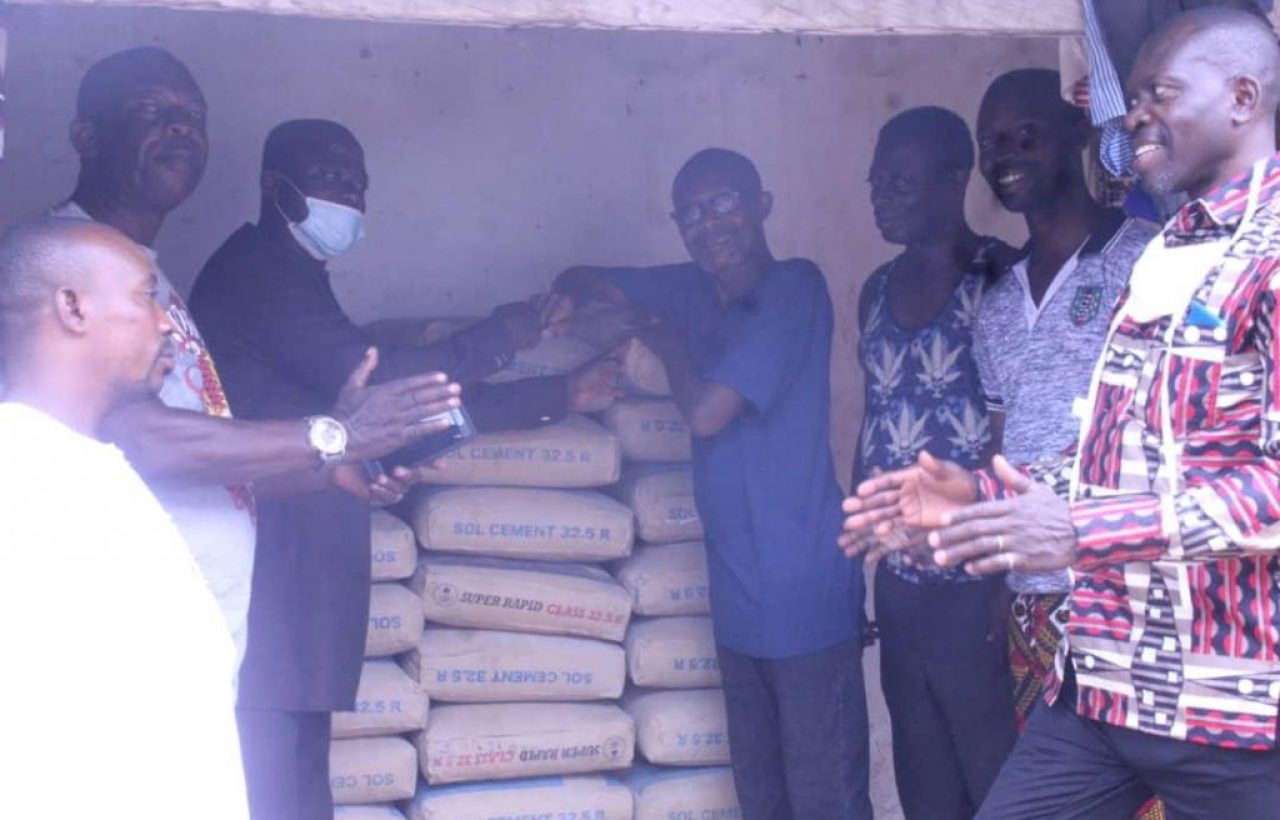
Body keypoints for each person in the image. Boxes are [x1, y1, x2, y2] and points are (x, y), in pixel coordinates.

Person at [844, 9, 1280, 818]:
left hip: (1232, 706)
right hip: (1105, 686)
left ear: (1243, 99)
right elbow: (1123, 456)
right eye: (1133, 97)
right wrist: (984, 498)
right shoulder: (1171, 251)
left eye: (1159, 95)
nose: (1132, 118)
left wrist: (1083, 533)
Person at [189, 118, 618, 820]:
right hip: (268, 579)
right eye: (331, 176)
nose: (350, 193)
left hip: (298, 586)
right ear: (275, 185)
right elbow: (380, 379)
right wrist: (502, 338)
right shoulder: (258, 273)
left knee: (296, 788)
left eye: (358, 180)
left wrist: (556, 393)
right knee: (270, 790)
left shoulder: (296, 274)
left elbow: (384, 410)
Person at [45, 46, 463, 668]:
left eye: (193, 115)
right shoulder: (65, 263)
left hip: (187, 638)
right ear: (87, 136)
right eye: (152, 110)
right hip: (117, 641)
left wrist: (329, 467)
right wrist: (333, 436)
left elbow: (202, 452)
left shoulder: (149, 279)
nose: (181, 126)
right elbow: (139, 442)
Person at [556, 148, 870, 820]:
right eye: (692, 214)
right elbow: (580, 281)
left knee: (827, 802)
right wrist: (599, 307)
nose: (710, 224)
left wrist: (667, 343)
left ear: (762, 204)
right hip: (739, 602)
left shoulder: (795, 289)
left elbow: (706, 413)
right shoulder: (690, 289)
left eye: (726, 203)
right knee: (764, 799)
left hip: (807, 593)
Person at [0, 218, 247, 818]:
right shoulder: (28, 489)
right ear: (73, 308)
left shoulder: (85, 472)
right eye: (145, 295)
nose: (165, 322)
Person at [972, 69, 1158, 728]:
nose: (1005, 159)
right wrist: (1003, 578)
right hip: (1034, 603)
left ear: (1076, 130)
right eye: (989, 144)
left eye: (1026, 137)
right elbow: (1003, 449)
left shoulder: (1146, 263)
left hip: (1128, 594)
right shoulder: (996, 306)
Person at [847, 106, 1016, 820]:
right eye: (876, 181)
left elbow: (1022, 435)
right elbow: (874, 419)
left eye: (901, 181)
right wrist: (856, 556)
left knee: (993, 777)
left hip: (976, 578)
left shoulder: (1002, 277)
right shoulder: (876, 291)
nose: (882, 194)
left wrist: (1008, 580)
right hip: (901, 582)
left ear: (955, 180)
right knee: (923, 779)